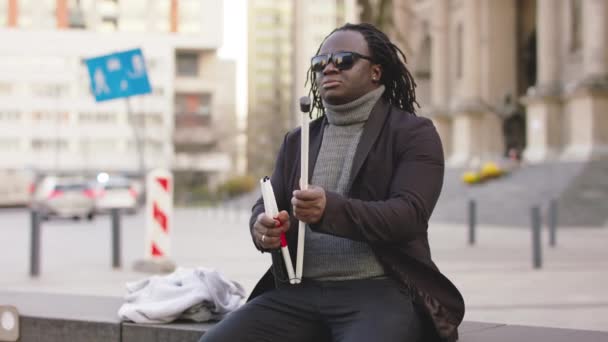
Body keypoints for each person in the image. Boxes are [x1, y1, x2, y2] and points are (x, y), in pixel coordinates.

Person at [200, 23, 464, 342]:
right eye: (319, 63)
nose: (328, 67)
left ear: (376, 72)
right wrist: (262, 226)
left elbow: (408, 216)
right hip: (298, 292)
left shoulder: (413, 134)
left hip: (378, 291)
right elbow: (271, 201)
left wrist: (330, 209)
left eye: (343, 60)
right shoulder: (298, 139)